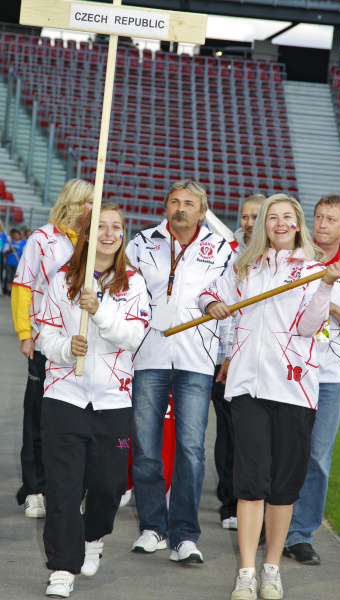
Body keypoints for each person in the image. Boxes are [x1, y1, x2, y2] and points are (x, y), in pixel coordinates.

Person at [198, 193, 340, 600]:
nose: (280, 223)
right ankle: (246, 572)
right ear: (263, 223)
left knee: (283, 488)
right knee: (250, 484)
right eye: (273, 217)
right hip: (248, 388)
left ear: (297, 224)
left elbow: (309, 327)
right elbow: (208, 292)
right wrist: (212, 304)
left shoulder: (314, 269)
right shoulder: (245, 266)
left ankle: (271, 570)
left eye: (288, 217)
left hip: (294, 390)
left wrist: (326, 285)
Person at [37, 202, 149, 598]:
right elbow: (45, 338)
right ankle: (62, 567)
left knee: (109, 486)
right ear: (86, 234)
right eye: (100, 226)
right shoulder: (62, 279)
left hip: (112, 401)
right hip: (64, 397)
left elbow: (133, 337)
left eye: (116, 227)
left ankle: (93, 536)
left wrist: (99, 311)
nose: (109, 233)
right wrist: (68, 348)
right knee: (63, 488)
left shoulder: (133, 283)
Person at [126, 179, 234, 564]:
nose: (181, 208)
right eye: (174, 201)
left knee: (191, 449)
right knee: (146, 446)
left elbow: (229, 300)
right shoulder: (141, 243)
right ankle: (152, 526)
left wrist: (228, 352)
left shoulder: (221, 248)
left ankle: (184, 535)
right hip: (148, 356)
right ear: (165, 206)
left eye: (189, 203)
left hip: (196, 359)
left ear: (202, 211)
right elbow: (123, 292)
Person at [283, 193, 340, 565]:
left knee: (317, 456)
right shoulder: (294, 257)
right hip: (290, 368)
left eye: (331, 219)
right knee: (283, 450)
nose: (322, 224)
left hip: (332, 373)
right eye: (318, 217)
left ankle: (300, 534)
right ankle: (273, 523)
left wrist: (327, 295)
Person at [11, 179, 94, 517]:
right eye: (90, 202)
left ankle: (66, 487)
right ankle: (34, 489)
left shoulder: (96, 240)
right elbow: (22, 285)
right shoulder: (42, 239)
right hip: (46, 341)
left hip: (83, 345)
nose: (94, 208)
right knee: (37, 416)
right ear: (74, 203)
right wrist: (25, 333)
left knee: (73, 419)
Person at [213, 194, 266, 530]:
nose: (248, 223)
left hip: (258, 358)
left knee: (254, 435)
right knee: (229, 434)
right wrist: (228, 354)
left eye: (255, 216)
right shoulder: (227, 252)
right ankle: (230, 502)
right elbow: (224, 306)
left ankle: (253, 501)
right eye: (245, 216)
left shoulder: (274, 255)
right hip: (224, 356)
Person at [4, 228, 26, 295]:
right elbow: (5, 253)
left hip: (17, 263)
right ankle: (8, 290)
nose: (15, 236)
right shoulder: (10, 243)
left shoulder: (23, 244)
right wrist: (10, 250)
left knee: (15, 277)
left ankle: (13, 291)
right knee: (9, 277)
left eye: (16, 235)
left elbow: (24, 253)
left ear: (19, 236)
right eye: (14, 235)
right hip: (9, 262)